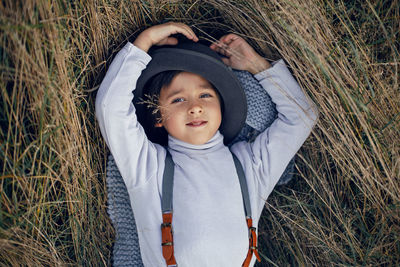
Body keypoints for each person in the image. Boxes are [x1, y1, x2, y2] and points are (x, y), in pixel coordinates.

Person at [96, 22, 318, 267]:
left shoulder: (249, 166)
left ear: (221, 106)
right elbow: (111, 109)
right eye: (178, 99)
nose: (195, 107)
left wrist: (256, 65)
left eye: (205, 95)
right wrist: (144, 41)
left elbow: (301, 118)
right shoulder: (148, 167)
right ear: (158, 117)